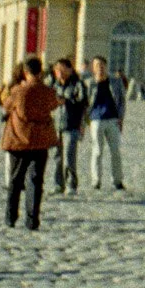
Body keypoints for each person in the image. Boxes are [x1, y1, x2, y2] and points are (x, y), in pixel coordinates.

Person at [0, 57, 58, 231]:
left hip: (19, 139)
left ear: (25, 72)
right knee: (36, 181)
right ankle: (32, 219)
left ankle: (10, 217)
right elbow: (54, 105)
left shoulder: (18, 91)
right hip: (40, 140)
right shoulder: (48, 91)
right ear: (40, 72)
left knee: (15, 180)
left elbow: (6, 107)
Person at [84, 56, 127, 190]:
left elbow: (122, 101)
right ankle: (96, 181)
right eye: (97, 65)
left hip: (112, 119)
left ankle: (118, 180)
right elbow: (85, 104)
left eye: (102, 65)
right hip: (96, 120)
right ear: (93, 68)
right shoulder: (89, 83)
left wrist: (121, 118)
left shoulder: (115, 81)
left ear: (106, 66)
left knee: (115, 151)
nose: (100, 68)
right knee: (97, 151)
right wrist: (87, 121)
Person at [49, 58, 86, 195]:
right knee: (57, 156)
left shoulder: (77, 84)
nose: (60, 72)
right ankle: (58, 184)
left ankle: (71, 184)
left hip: (71, 124)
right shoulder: (53, 85)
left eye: (63, 68)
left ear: (70, 69)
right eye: (57, 69)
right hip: (56, 124)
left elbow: (82, 102)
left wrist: (67, 102)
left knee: (69, 156)